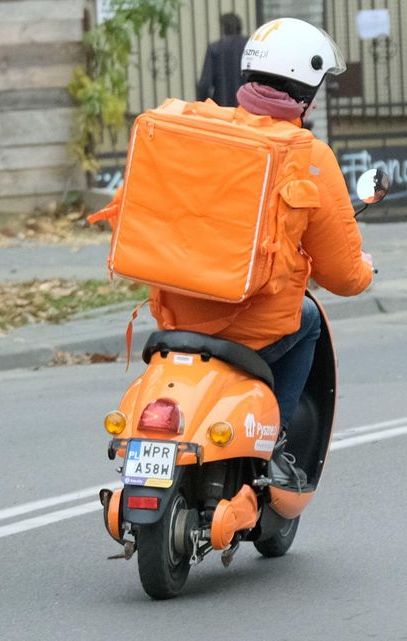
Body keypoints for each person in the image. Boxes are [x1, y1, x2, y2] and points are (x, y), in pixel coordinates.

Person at [157, 18, 373, 487]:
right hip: (250, 329)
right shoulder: (308, 157)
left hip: (178, 316)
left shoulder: (197, 133)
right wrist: (366, 272)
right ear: (307, 92)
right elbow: (343, 276)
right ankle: (272, 442)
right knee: (309, 321)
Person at [196, 13, 247, 107]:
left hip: (223, 108)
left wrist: (201, 105)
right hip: (247, 108)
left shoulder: (215, 48)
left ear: (223, 28)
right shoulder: (250, 46)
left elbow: (205, 84)